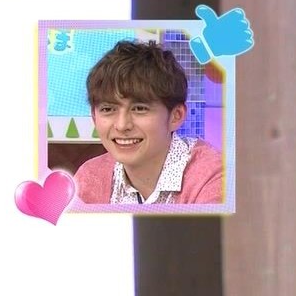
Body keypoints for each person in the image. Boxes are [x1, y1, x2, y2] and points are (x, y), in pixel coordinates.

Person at [73, 39, 224, 205]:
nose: (122, 125)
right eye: (108, 109)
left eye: (139, 109)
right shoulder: (88, 178)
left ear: (176, 116)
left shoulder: (214, 177)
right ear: (94, 117)